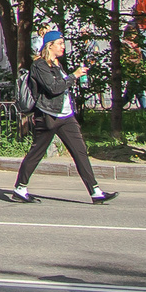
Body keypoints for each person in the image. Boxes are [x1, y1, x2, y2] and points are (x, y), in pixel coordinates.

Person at [10, 32, 113, 204]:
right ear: (49, 45)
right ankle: (20, 188)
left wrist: (74, 77)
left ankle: (95, 191)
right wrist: (74, 76)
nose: (63, 46)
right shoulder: (39, 65)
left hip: (66, 116)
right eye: (59, 43)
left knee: (80, 152)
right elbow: (53, 88)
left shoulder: (57, 64)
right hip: (48, 116)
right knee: (36, 152)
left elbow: (63, 87)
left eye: (63, 43)